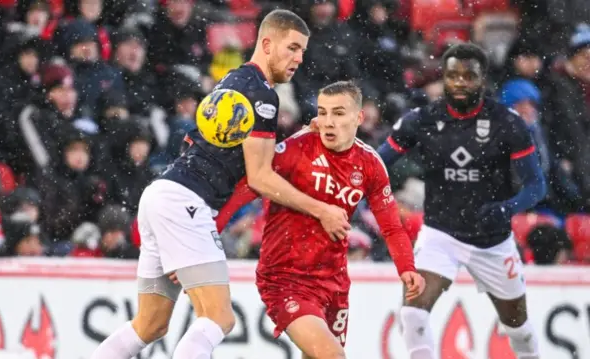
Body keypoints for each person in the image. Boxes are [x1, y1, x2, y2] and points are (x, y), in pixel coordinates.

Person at [89, 9, 351, 359]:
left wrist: (302, 136)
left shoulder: (234, 80)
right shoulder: (262, 94)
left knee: (150, 324)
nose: (298, 59)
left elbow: (233, 159)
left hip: (161, 196)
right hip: (186, 203)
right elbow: (259, 177)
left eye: (302, 51)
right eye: (292, 48)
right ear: (267, 43)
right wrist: (322, 210)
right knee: (219, 317)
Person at [214, 81, 425, 359]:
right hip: (285, 277)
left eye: (338, 113)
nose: (327, 122)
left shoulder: (370, 164)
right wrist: (207, 234)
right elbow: (247, 187)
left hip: (333, 282)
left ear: (358, 118)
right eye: (322, 112)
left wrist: (407, 267)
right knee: (332, 356)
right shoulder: (295, 148)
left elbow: (391, 225)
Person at [377, 43, 546, 359]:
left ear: (483, 79)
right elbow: (376, 164)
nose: (460, 83)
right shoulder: (421, 120)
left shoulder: (507, 123)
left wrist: (506, 208)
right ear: (443, 77)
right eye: (453, 75)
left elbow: (537, 186)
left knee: (518, 328)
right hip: (440, 234)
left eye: (469, 76)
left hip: (492, 242)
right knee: (413, 313)